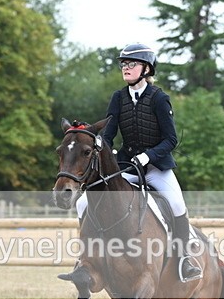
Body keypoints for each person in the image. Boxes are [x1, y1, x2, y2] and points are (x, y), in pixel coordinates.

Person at [75, 43, 202, 282]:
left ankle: (185, 258)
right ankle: (85, 257)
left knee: (176, 204)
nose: (126, 68)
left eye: (131, 64)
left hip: (156, 167)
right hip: (127, 167)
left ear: (146, 68)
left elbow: (171, 139)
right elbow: (109, 132)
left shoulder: (159, 98)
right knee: (83, 202)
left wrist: (148, 156)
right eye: (123, 64)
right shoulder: (118, 97)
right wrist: (103, 147)